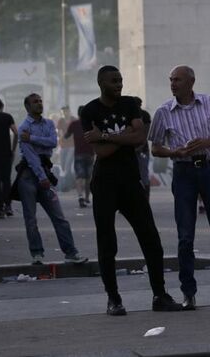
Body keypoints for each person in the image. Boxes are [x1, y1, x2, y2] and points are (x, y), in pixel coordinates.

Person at [81, 66, 183, 315]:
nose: (119, 85)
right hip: (104, 183)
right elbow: (101, 151)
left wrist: (106, 135)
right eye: (114, 81)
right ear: (101, 83)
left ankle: (159, 295)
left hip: (130, 181)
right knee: (107, 243)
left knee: (151, 239)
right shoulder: (90, 110)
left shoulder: (129, 104)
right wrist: (124, 134)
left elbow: (139, 138)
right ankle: (113, 299)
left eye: (121, 80)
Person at [149, 65, 210, 309]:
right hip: (184, 172)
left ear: (191, 82)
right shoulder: (163, 111)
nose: (173, 84)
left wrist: (206, 142)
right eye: (171, 80)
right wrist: (175, 152)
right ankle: (188, 294)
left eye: (177, 80)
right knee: (185, 237)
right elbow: (155, 148)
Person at [15, 93, 88, 265]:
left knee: (59, 217)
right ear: (27, 107)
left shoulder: (48, 123)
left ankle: (71, 252)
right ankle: (37, 254)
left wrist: (32, 138)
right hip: (29, 175)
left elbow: (53, 142)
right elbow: (31, 156)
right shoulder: (24, 127)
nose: (39, 104)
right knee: (31, 219)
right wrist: (41, 176)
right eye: (35, 102)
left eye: (40, 101)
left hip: (45, 172)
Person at [64, 106, 95, 208]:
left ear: (78, 114)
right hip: (90, 153)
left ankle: (80, 196)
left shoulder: (74, 124)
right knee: (88, 177)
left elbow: (66, 136)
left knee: (79, 176)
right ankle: (87, 198)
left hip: (79, 154)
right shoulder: (91, 124)